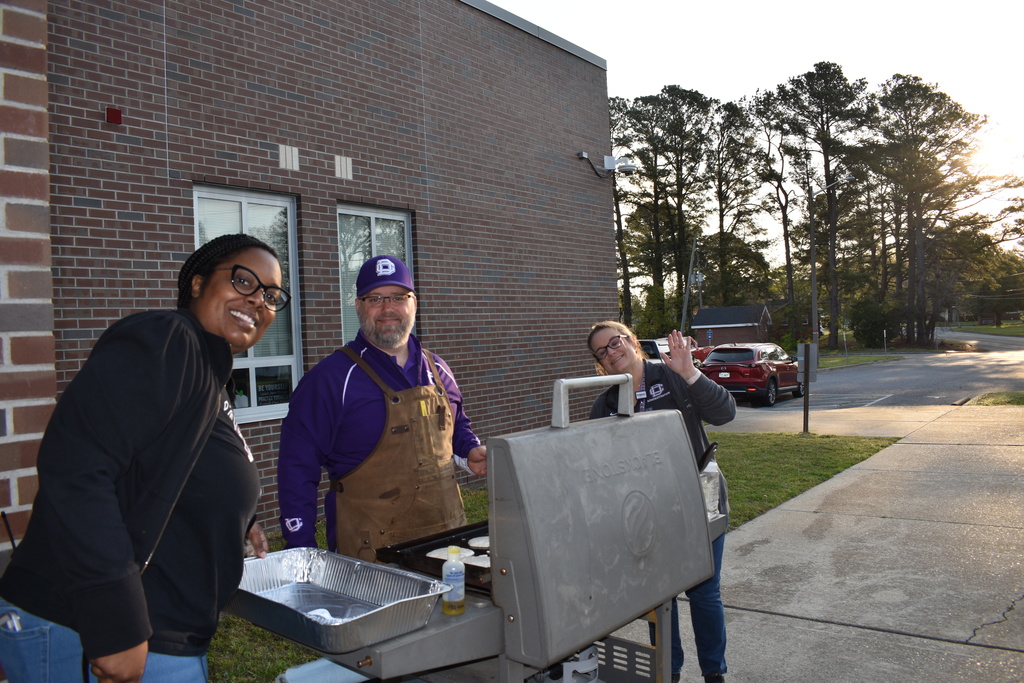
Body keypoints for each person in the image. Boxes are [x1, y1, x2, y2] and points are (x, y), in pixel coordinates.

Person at [0, 233, 286, 683]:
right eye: (244, 281)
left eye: (271, 296)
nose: (258, 301)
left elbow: (165, 472)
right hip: (93, 627)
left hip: (167, 633)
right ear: (197, 284)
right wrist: (115, 622)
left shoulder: (210, 377)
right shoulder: (168, 339)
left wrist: (235, 517)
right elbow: (78, 468)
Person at [277, 255, 486, 559]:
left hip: (448, 547)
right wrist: (300, 546)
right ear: (358, 306)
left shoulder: (438, 369)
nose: (388, 308)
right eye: (375, 298)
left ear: (414, 303)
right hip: (371, 556)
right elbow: (296, 467)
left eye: (398, 297)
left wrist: (469, 451)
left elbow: (457, 426)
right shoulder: (330, 379)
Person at [587, 322, 735, 683]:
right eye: (601, 351)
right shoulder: (605, 405)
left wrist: (690, 373)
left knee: (704, 592)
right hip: (645, 514)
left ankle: (714, 672)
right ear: (600, 363)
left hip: (697, 502)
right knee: (659, 597)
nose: (611, 352)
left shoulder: (673, 377)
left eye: (615, 342)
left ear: (632, 342)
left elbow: (724, 413)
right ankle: (668, 670)